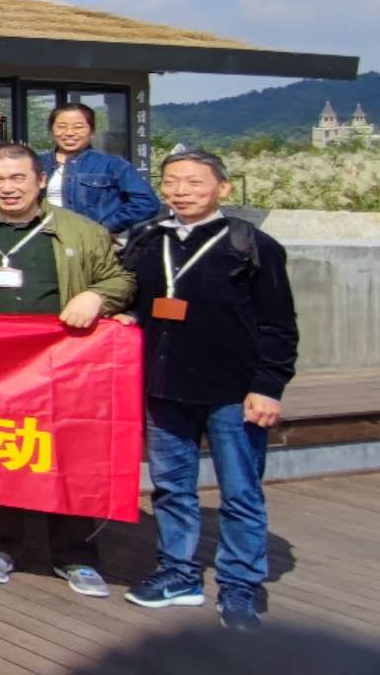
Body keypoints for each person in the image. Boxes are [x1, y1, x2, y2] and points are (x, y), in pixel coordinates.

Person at [0, 144, 136, 598]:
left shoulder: (81, 231)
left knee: (67, 455)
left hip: (62, 365)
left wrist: (98, 297)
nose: (7, 188)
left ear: (40, 180)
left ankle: (75, 554)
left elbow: (121, 279)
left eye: (17, 178)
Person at [120, 150, 297, 632]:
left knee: (240, 492)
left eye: (195, 182)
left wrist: (268, 386)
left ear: (224, 188)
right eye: (171, 181)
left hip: (232, 392)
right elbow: (134, 300)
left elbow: (279, 325)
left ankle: (240, 584)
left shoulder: (251, 244)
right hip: (164, 388)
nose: (181, 191)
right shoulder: (147, 238)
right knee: (171, 488)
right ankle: (178, 572)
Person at [39, 103, 162, 235]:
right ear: (51, 130)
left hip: (88, 241)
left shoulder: (112, 165)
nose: (69, 133)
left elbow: (147, 203)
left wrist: (108, 226)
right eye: (61, 127)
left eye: (78, 127)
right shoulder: (36, 163)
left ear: (92, 131)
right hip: (42, 238)